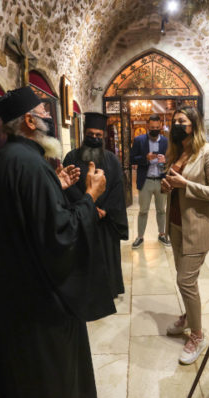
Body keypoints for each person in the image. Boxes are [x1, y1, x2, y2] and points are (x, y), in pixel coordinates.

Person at [0, 87, 114, 398]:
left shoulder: (6, 159)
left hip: (17, 293)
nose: (49, 119)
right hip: (42, 301)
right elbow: (60, 234)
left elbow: (28, 216)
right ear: (29, 121)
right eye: (44, 113)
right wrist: (90, 196)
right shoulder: (30, 164)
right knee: (53, 376)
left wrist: (55, 186)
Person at [161, 105, 209, 365]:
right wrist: (167, 185)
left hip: (198, 226)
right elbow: (174, 187)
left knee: (185, 281)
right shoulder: (177, 152)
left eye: (182, 121)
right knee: (185, 279)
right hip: (177, 225)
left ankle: (197, 335)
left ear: (194, 125)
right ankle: (189, 316)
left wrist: (186, 184)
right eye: (174, 121)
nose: (177, 126)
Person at [63, 112, 129, 298]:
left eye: (98, 135)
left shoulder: (112, 160)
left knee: (107, 256)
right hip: (81, 217)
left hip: (105, 221)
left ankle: (109, 290)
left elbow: (117, 188)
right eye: (90, 134)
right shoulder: (71, 157)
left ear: (104, 136)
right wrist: (87, 207)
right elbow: (68, 187)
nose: (94, 138)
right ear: (84, 134)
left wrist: (105, 210)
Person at [130, 113, 170, 248]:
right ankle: (140, 237)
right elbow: (131, 159)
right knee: (143, 210)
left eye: (157, 128)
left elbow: (172, 159)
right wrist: (145, 158)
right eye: (152, 128)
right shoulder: (139, 140)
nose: (155, 130)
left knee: (161, 210)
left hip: (161, 180)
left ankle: (162, 234)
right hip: (145, 180)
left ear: (160, 126)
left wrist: (166, 160)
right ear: (148, 126)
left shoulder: (165, 141)